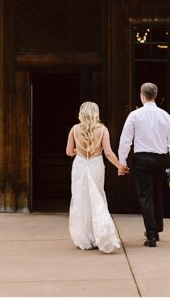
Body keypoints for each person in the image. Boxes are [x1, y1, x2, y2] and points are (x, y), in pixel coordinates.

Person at [118, 83, 170, 248]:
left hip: (142, 159)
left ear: (142, 96)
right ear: (155, 95)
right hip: (160, 159)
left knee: (146, 196)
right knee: (156, 193)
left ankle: (151, 235)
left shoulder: (135, 115)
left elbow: (125, 140)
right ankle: (157, 228)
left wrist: (122, 162)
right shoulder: (165, 116)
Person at [65, 101, 123, 253]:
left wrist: (79, 151)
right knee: (97, 198)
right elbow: (108, 153)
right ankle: (100, 235)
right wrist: (120, 166)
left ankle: (84, 238)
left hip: (79, 165)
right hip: (96, 165)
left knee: (80, 199)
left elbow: (68, 152)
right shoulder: (103, 130)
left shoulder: (74, 129)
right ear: (96, 113)